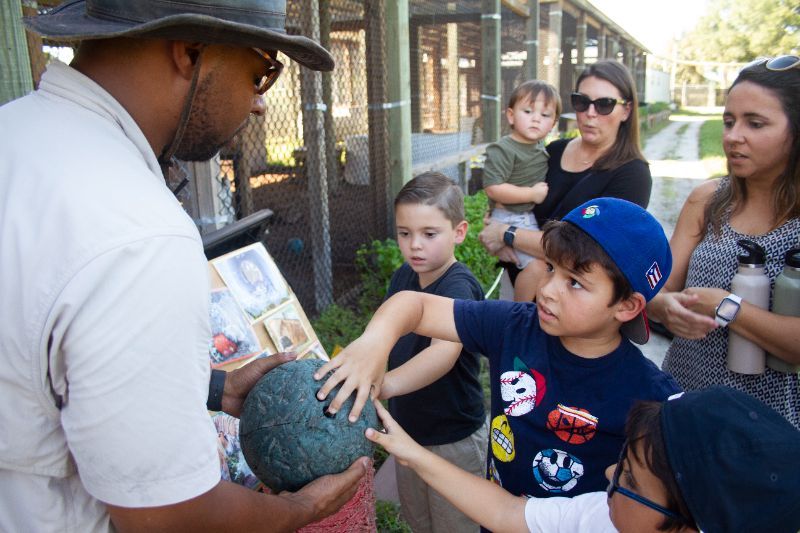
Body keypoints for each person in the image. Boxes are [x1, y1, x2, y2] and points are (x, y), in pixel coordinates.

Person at [0, 2, 367, 532]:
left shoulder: (16, 136)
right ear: (192, 51)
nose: (260, 104)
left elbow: (37, 369)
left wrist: (218, 389)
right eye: (262, 70)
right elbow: (167, 516)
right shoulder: (139, 232)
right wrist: (299, 510)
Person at [316, 197, 680, 500]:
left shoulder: (651, 399)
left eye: (576, 283)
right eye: (551, 268)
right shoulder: (514, 326)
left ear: (627, 306)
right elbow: (415, 305)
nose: (548, 289)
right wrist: (373, 344)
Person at [365, 385, 800, 533]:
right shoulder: (601, 515)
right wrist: (411, 453)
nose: (609, 472)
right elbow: (507, 511)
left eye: (628, 477)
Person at [647, 56, 800, 428]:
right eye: (729, 121)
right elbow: (654, 290)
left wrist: (729, 308)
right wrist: (666, 307)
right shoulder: (707, 200)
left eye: (755, 123)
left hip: (769, 427)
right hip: (685, 404)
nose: (733, 136)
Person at [479, 60, 652, 302]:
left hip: (573, 304)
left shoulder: (633, 175)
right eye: (582, 102)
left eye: (605, 104)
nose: (590, 113)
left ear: (626, 110)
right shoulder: (553, 151)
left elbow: (589, 252)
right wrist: (493, 225)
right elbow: (511, 196)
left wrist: (507, 233)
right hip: (519, 279)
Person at [378, 171, 488, 532]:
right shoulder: (402, 278)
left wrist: (386, 385)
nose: (415, 246)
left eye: (429, 234)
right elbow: (386, 335)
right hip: (410, 432)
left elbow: (443, 353)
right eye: (404, 233)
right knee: (420, 520)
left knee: (457, 524)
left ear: (459, 232)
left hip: (453, 437)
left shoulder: (459, 287)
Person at [483, 80, 560, 277]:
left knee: (536, 266)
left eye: (544, 115)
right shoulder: (504, 148)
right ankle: (521, 308)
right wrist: (531, 194)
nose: (536, 119)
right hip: (509, 216)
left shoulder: (539, 146)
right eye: (528, 112)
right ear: (511, 115)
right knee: (539, 266)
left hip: (523, 217)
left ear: (553, 123)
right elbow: (493, 188)